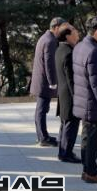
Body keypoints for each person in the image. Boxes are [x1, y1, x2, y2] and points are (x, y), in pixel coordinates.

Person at [73, 16, 97, 184]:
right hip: (92, 103)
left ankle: (86, 170)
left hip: (82, 101)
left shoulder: (79, 46)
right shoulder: (93, 51)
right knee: (93, 141)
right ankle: (91, 173)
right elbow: (96, 82)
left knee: (86, 138)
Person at [29, 17, 66, 147]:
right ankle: (43, 138)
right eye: (62, 28)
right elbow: (49, 64)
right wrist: (52, 82)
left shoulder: (45, 38)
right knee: (42, 110)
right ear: (56, 27)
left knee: (40, 109)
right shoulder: (50, 41)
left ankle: (41, 136)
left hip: (41, 80)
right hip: (44, 82)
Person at [55, 25, 81, 163]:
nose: (77, 34)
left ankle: (63, 152)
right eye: (75, 32)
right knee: (71, 126)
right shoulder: (69, 52)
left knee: (65, 125)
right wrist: (77, 98)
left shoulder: (60, 49)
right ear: (67, 36)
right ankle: (66, 153)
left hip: (63, 94)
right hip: (69, 96)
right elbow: (71, 79)